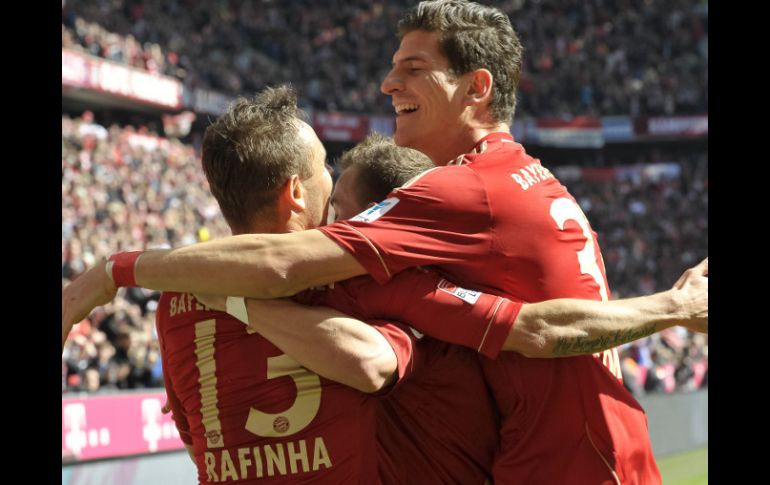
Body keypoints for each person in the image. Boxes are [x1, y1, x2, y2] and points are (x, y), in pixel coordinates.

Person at [62, 2, 705, 482]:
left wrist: (115, 271)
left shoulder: (457, 193)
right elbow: (519, 328)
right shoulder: (522, 177)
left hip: (571, 465)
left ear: (477, 87)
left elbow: (285, 263)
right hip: (590, 449)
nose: (387, 85)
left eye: (413, 69)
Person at [157, 86, 424, 483]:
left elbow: (199, 449)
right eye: (323, 166)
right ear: (297, 192)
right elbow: (374, 366)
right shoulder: (347, 278)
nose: (331, 178)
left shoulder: (178, 295)